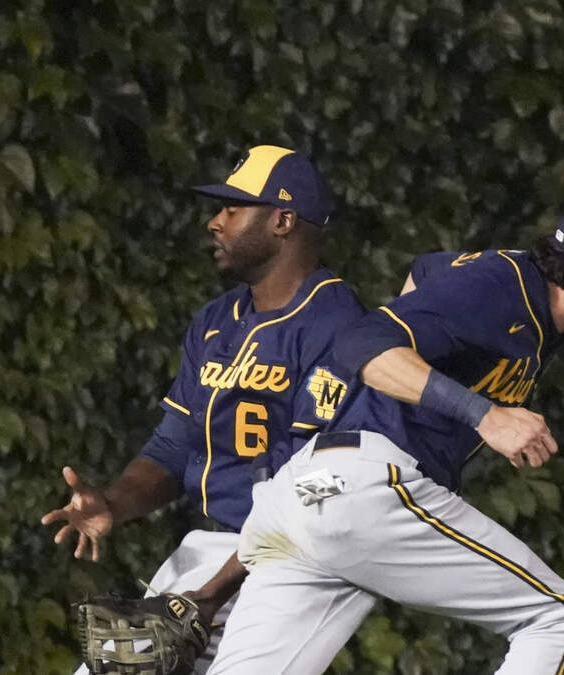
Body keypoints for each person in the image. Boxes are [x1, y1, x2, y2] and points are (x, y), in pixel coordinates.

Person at [208, 189, 564, 674]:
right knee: (562, 617)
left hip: (306, 494)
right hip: (366, 486)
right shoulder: (501, 285)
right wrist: (484, 415)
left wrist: (410, 366)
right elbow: (362, 342)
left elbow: (427, 270)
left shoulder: (526, 296)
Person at [41, 145, 366, 673]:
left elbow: (319, 485)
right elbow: (175, 444)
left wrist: (212, 593)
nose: (215, 222)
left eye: (233, 209)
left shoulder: (337, 324)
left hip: (302, 561)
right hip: (216, 547)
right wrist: (114, 503)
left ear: (283, 221)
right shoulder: (216, 321)